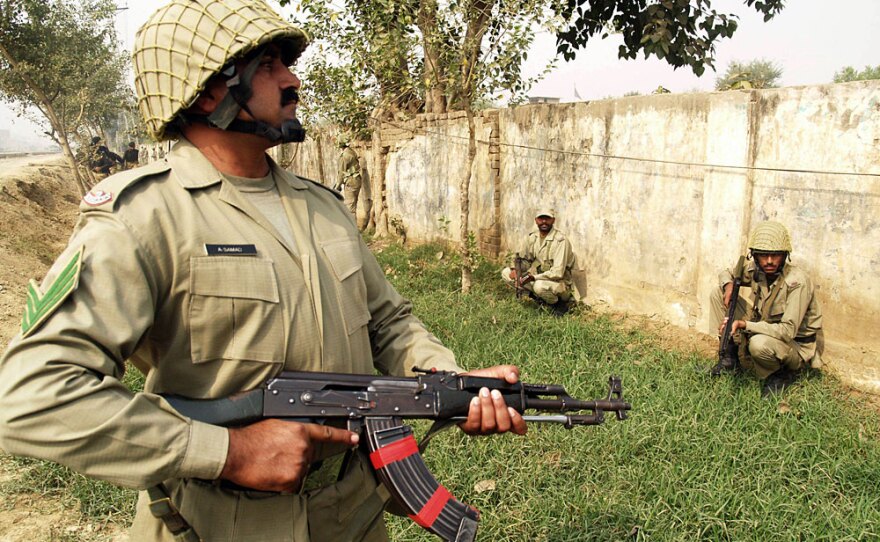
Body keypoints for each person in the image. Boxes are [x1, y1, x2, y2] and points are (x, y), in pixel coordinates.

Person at [0, 1, 526, 541]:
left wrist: (448, 381)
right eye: (270, 65)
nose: (293, 79)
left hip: (353, 513)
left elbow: (388, 324)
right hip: (213, 522)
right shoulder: (143, 218)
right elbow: (31, 395)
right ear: (210, 91)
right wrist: (229, 451)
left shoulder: (323, 206)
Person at [709, 221, 823, 397]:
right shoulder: (758, 269)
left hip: (792, 345)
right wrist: (729, 285)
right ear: (754, 256)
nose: (769, 261)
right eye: (763, 255)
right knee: (717, 293)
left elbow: (787, 331)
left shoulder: (797, 282)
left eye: (775, 255)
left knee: (759, 344)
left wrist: (743, 324)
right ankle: (729, 360)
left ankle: (780, 374)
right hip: (766, 326)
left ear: (785, 255)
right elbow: (727, 273)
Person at [501, 208, 576, 314]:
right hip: (541, 278)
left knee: (539, 286)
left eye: (547, 218)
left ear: (553, 220)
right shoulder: (533, 237)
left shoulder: (561, 241)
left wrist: (533, 277)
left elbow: (558, 273)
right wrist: (515, 269)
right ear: (536, 220)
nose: (544, 222)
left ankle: (559, 305)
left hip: (560, 283)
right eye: (541, 218)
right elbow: (524, 259)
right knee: (506, 273)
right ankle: (538, 299)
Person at [335, 137, 363, 215]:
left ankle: (352, 226)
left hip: (350, 182)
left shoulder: (344, 156)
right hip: (357, 180)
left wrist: (337, 186)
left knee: (350, 208)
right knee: (354, 205)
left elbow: (341, 173)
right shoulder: (352, 152)